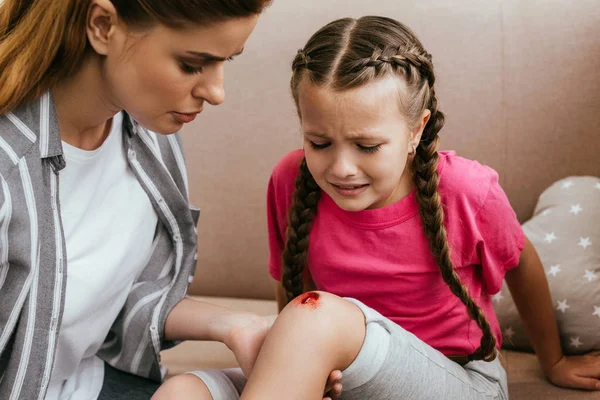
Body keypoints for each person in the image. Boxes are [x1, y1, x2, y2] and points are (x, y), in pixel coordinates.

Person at [177, 15, 600, 399]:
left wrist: (555, 361)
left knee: (314, 313)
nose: (342, 168)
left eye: (367, 146)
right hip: (344, 378)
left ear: (415, 130)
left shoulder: (467, 189)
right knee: (184, 391)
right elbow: (290, 283)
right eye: (319, 143)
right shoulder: (291, 179)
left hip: (456, 381)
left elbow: (522, 265)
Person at [0, 1, 291, 399]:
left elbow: (105, 300)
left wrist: (237, 326)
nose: (216, 92)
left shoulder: (150, 133)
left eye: (227, 61)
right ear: (102, 26)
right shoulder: (8, 167)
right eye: (192, 65)